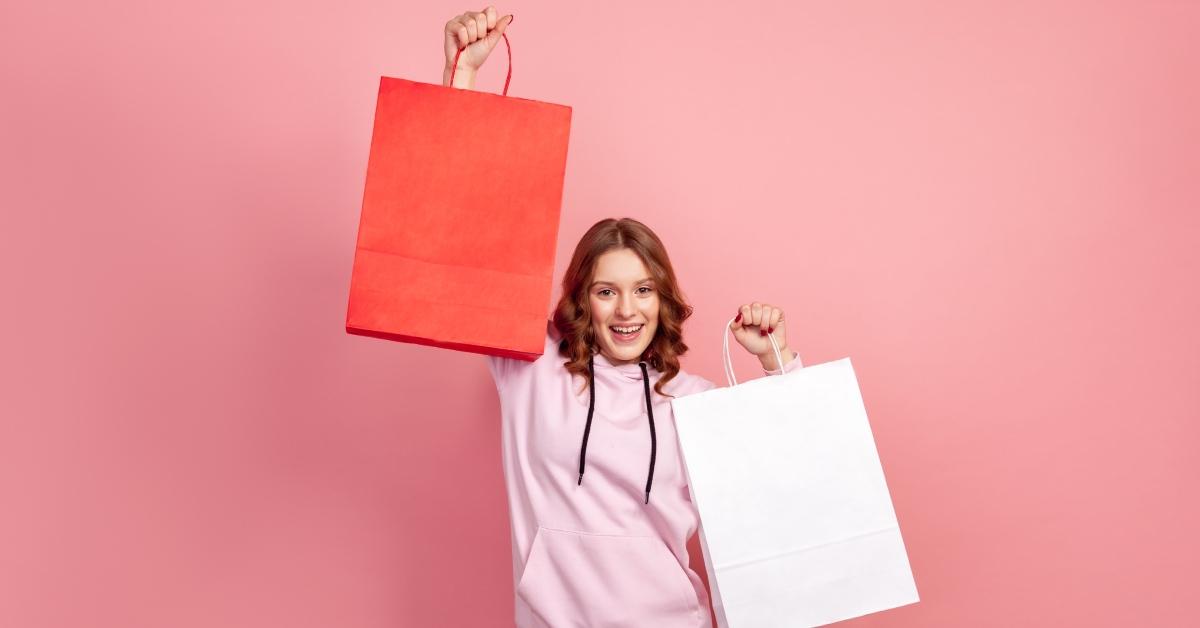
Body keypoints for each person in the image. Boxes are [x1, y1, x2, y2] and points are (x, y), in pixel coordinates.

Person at [441, 8, 803, 627]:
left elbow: (794, 477)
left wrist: (776, 363)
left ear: (663, 299)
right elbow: (464, 245)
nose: (627, 310)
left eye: (643, 291)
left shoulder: (695, 401)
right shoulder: (531, 369)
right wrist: (461, 82)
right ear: (582, 299)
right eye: (606, 292)